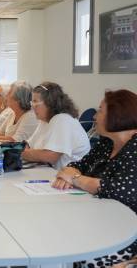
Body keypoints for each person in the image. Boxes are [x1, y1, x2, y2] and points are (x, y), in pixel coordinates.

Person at [53, 89, 137, 267]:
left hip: (125, 234)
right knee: (54, 234)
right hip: (97, 219)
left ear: (117, 116)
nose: (94, 116)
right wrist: (68, 174)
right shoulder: (107, 142)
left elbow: (116, 190)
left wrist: (74, 178)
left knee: (71, 251)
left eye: (100, 110)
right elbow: (80, 164)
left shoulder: (135, 147)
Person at [21, 82, 90, 169]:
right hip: (49, 171)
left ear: (49, 103)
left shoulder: (62, 119)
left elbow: (49, 157)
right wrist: (26, 152)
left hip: (68, 177)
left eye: (36, 102)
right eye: (32, 102)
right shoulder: (45, 120)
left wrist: (20, 153)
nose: (33, 107)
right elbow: (28, 145)